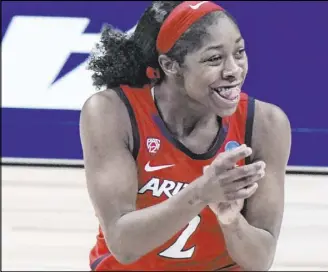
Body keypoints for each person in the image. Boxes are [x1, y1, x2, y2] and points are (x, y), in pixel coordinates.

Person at [80, 1, 292, 271]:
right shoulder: (112, 112)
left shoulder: (266, 123)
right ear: (170, 65)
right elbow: (124, 245)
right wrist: (201, 193)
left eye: (239, 52)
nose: (234, 70)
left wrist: (231, 220)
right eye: (214, 58)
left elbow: (260, 260)